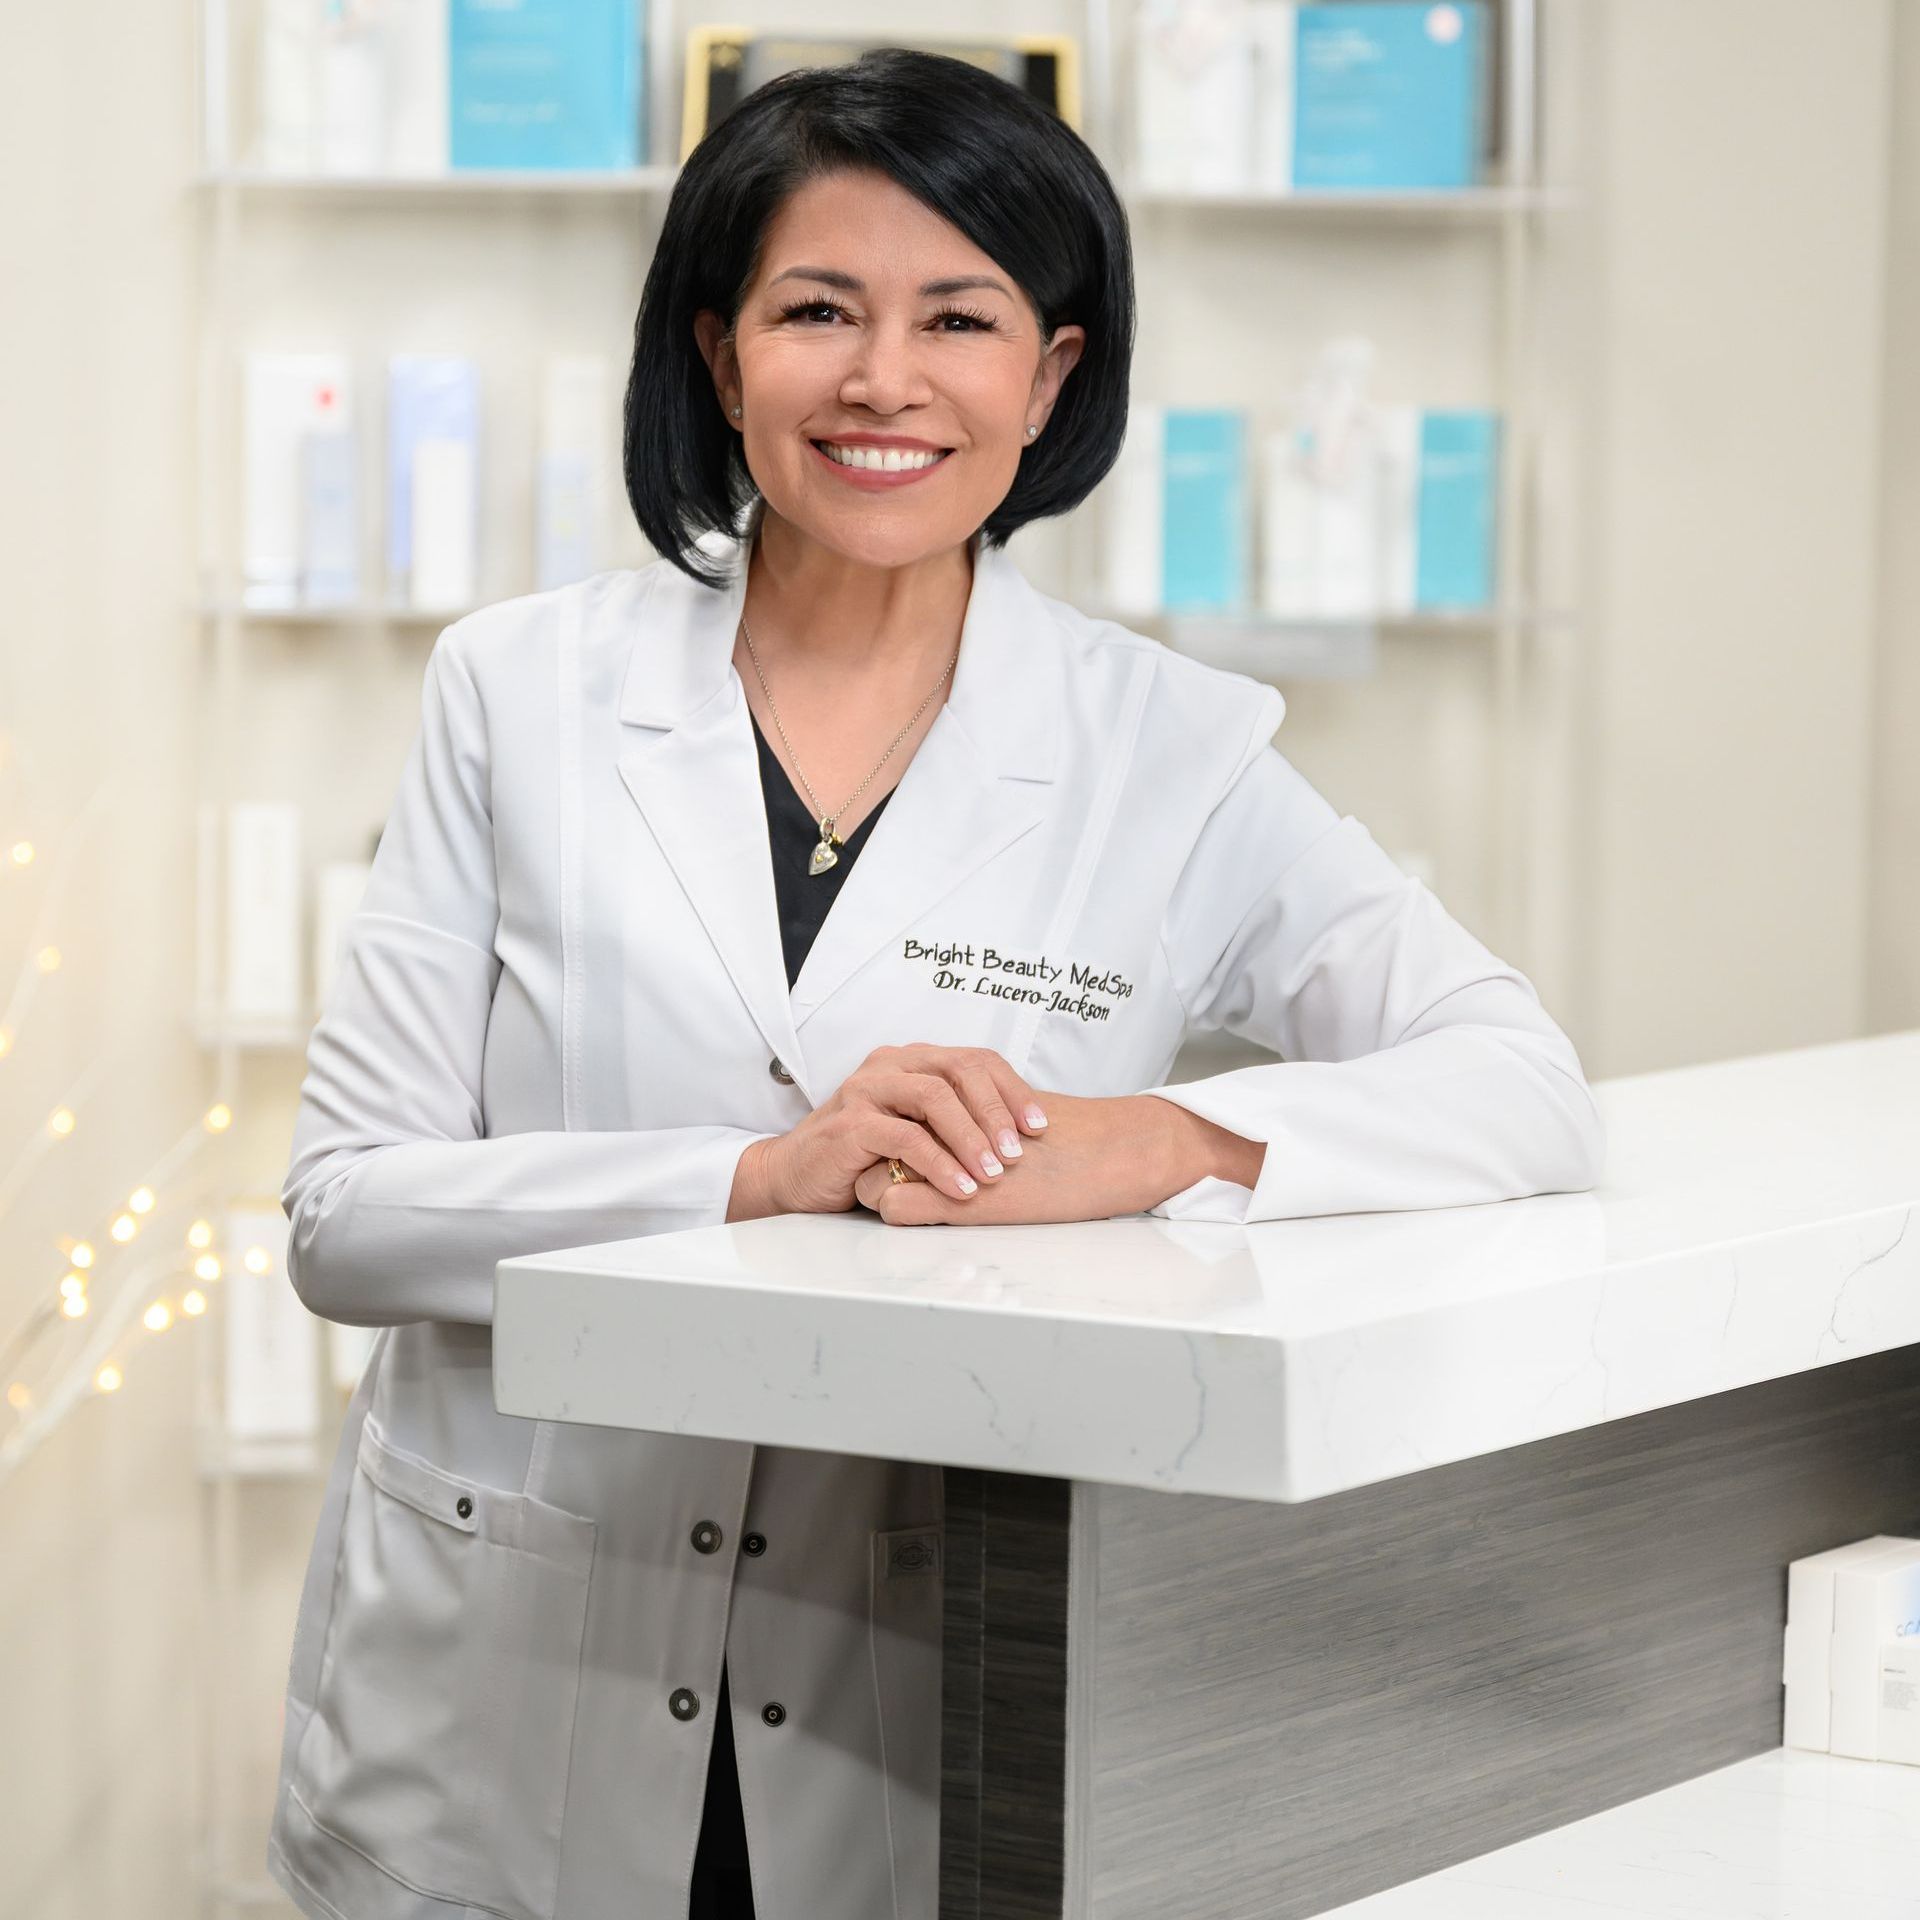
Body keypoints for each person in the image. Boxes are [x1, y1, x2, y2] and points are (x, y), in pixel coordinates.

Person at [264, 45, 1606, 1920]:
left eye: (960, 317)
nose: (886, 380)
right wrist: (756, 1177)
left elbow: (1520, 1079)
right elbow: (344, 1217)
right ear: (722, 354)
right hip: (515, 1680)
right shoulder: (520, 693)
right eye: (820, 309)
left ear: (1050, 374)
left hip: (892, 1702)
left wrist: (1155, 1140)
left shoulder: (1169, 749)